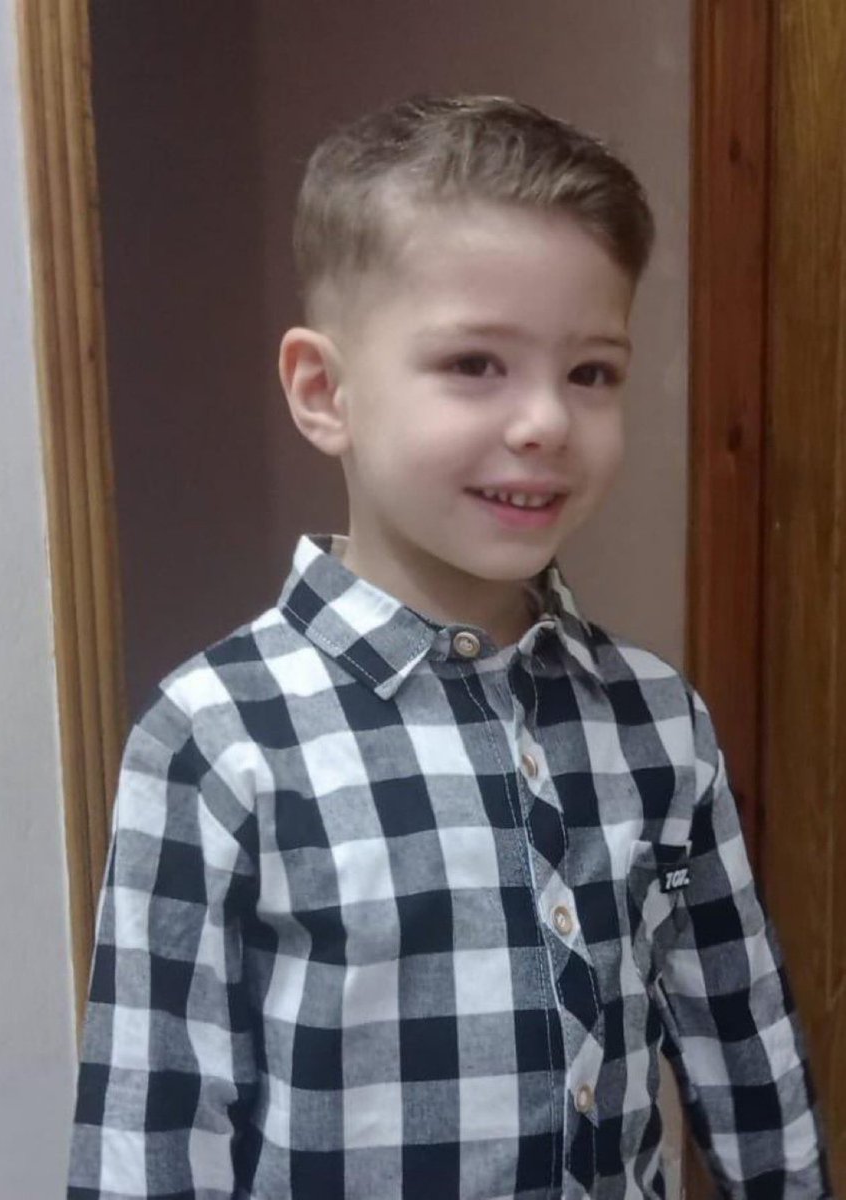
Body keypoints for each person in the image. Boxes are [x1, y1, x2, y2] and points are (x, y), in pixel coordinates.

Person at [68, 94, 830, 1200]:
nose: (545, 422)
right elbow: (152, 1125)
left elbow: (744, 1045)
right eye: (476, 363)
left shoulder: (659, 721)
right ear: (325, 392)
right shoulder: (217, 739)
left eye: (591, 372)